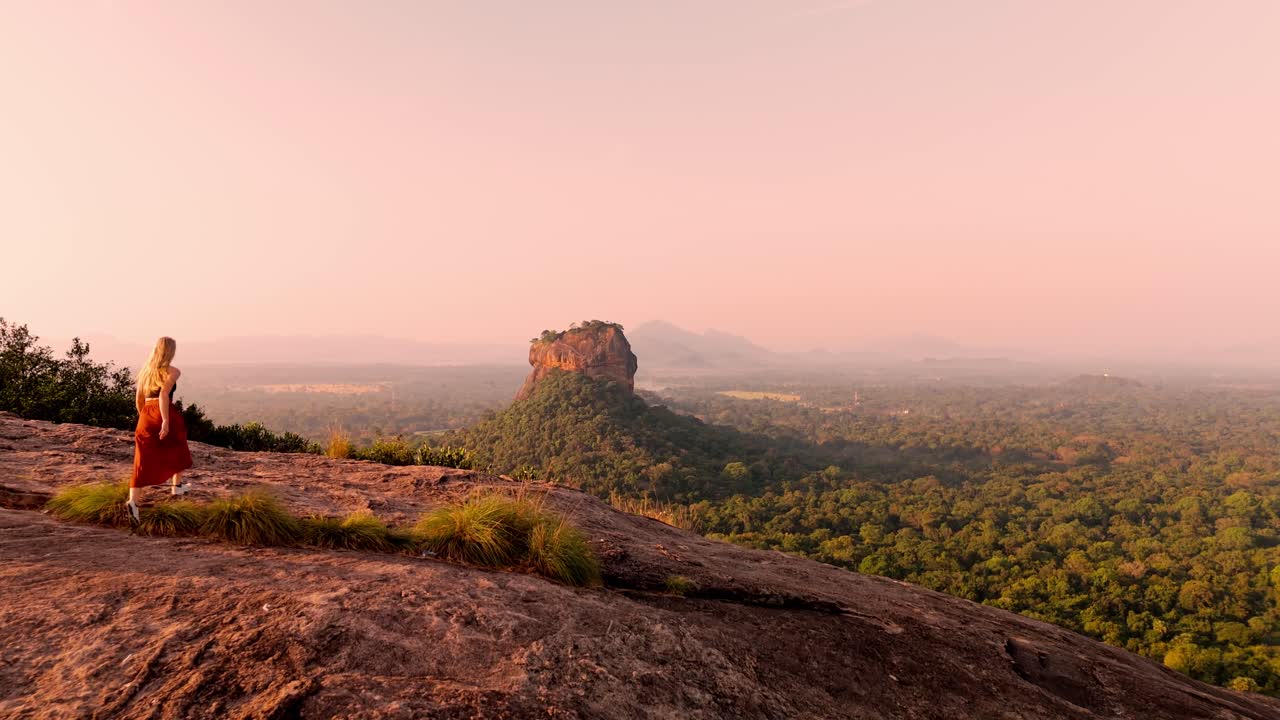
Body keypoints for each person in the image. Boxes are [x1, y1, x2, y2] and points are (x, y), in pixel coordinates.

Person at [128, 336, 194, 522]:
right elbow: (164, 394)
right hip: (163, 411)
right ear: (171, 351)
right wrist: (165, 420)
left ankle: (133, 502)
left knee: (141, 459)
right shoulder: (173, 371)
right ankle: (177, 486)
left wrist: (145, 417)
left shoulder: (146, 371)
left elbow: (139, 399)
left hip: (146, 414)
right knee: (178, 446)